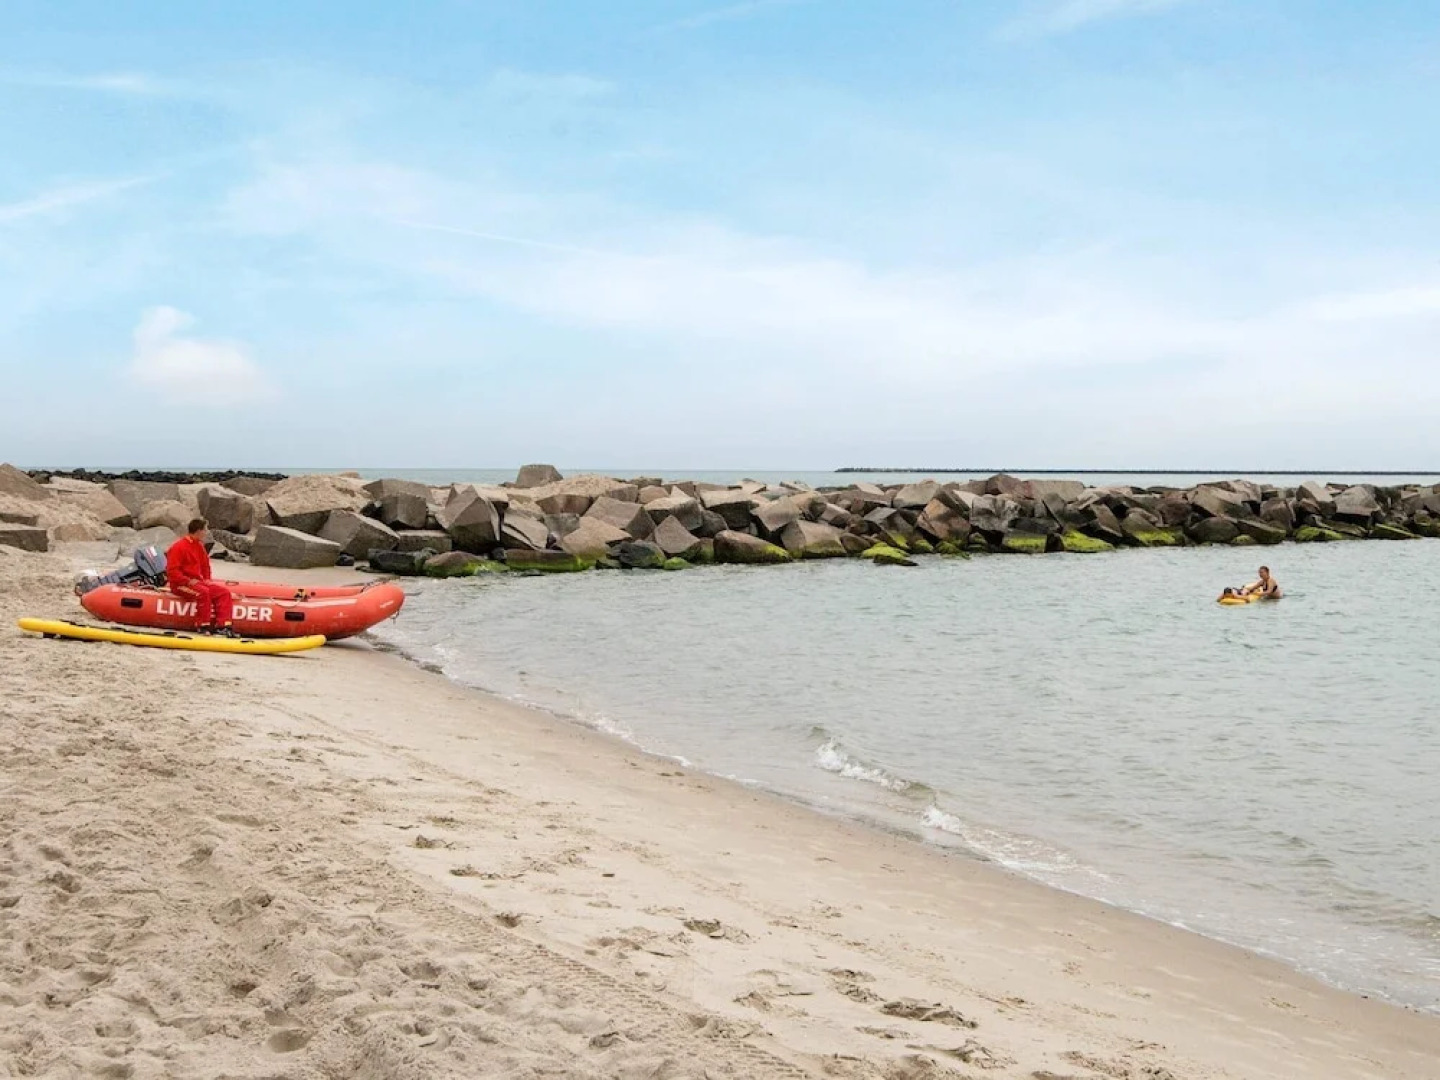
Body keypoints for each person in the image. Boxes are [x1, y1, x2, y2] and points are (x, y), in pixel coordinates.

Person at [166, 518, 236, 634]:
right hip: (180, 584)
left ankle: (223, 625)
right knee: (203, 593)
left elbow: (205, 566)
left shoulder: (199, 546)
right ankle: (203, 625)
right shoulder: (178, 547)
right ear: (198, 531)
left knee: (224, 593)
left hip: (197, 582)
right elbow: (172, 572)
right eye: (205, 530)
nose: (206, 532)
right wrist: (187, 581)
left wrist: (207, 579)